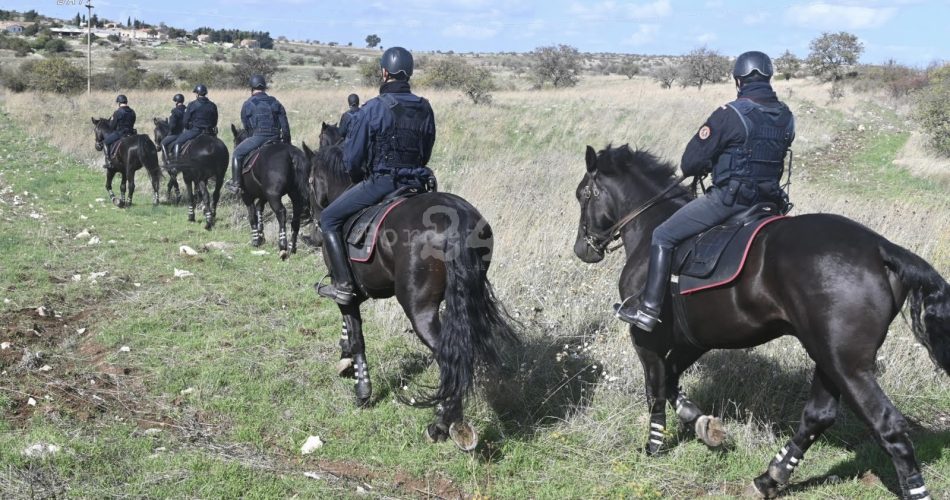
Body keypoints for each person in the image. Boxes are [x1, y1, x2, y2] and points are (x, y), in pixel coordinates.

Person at [615, 50, 795, 331]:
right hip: (770, 204)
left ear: (739, 81)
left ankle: (648, 310)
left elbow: (690, 163)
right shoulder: (786, 116)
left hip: (730, 201)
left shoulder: (730, 114)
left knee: (662, 235)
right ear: (769, 78)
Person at [316, 47, 436, 305]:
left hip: (382, 183)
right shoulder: (425, 108)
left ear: (384, 72)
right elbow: (425, 152)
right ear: (409, 73)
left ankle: (343, 285)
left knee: (328, 218)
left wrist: (361, 176)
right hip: (418, 182)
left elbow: (353, 159)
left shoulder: (372, 108)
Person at [225, 74, 292, 194]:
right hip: (276, 138)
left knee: (237, 154)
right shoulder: (276, 102)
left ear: (252, 88)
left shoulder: (248, 103)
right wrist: (287, 143)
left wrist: (252, 138)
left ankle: (236, 184)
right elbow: (285, 127)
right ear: (264, 87)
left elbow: (247, 127)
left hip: (258, 138)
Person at [170, 84, 218, 159]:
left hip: (195, 131)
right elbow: (214, 122)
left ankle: (175, 163)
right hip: (209, 132)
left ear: (197, 94)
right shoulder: (213, 105)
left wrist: (188, 127)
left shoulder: (192, 105)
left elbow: (185, 121)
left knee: (178, 143)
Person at [102, 94, 136, 168]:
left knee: (105, 142)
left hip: (120, 134)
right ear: (126, 102)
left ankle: (109, 162)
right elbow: (133, 122)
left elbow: (112, 126)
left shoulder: (117, 112)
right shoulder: (132, 112)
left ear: (119, 103)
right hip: (131, 133)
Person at [160, 93, 186, 165]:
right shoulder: (186, 110)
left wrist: (169, 130)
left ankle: (167, 161)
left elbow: (172, 126)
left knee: (163, 143)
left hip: (176, 134)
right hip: (185, 133)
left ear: (176, 102)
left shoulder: (175, 111)